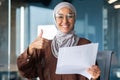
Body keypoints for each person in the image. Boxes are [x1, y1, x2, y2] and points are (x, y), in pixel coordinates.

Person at [17, 2, 100, 80]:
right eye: (60, 16)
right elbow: (26, 73)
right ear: (55, 20)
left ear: (74, 19)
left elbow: (92, 75)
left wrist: (95, 77)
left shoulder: (85, 45)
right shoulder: (44, 47)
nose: (65, 21)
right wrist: (30, 49)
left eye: (70, 16)